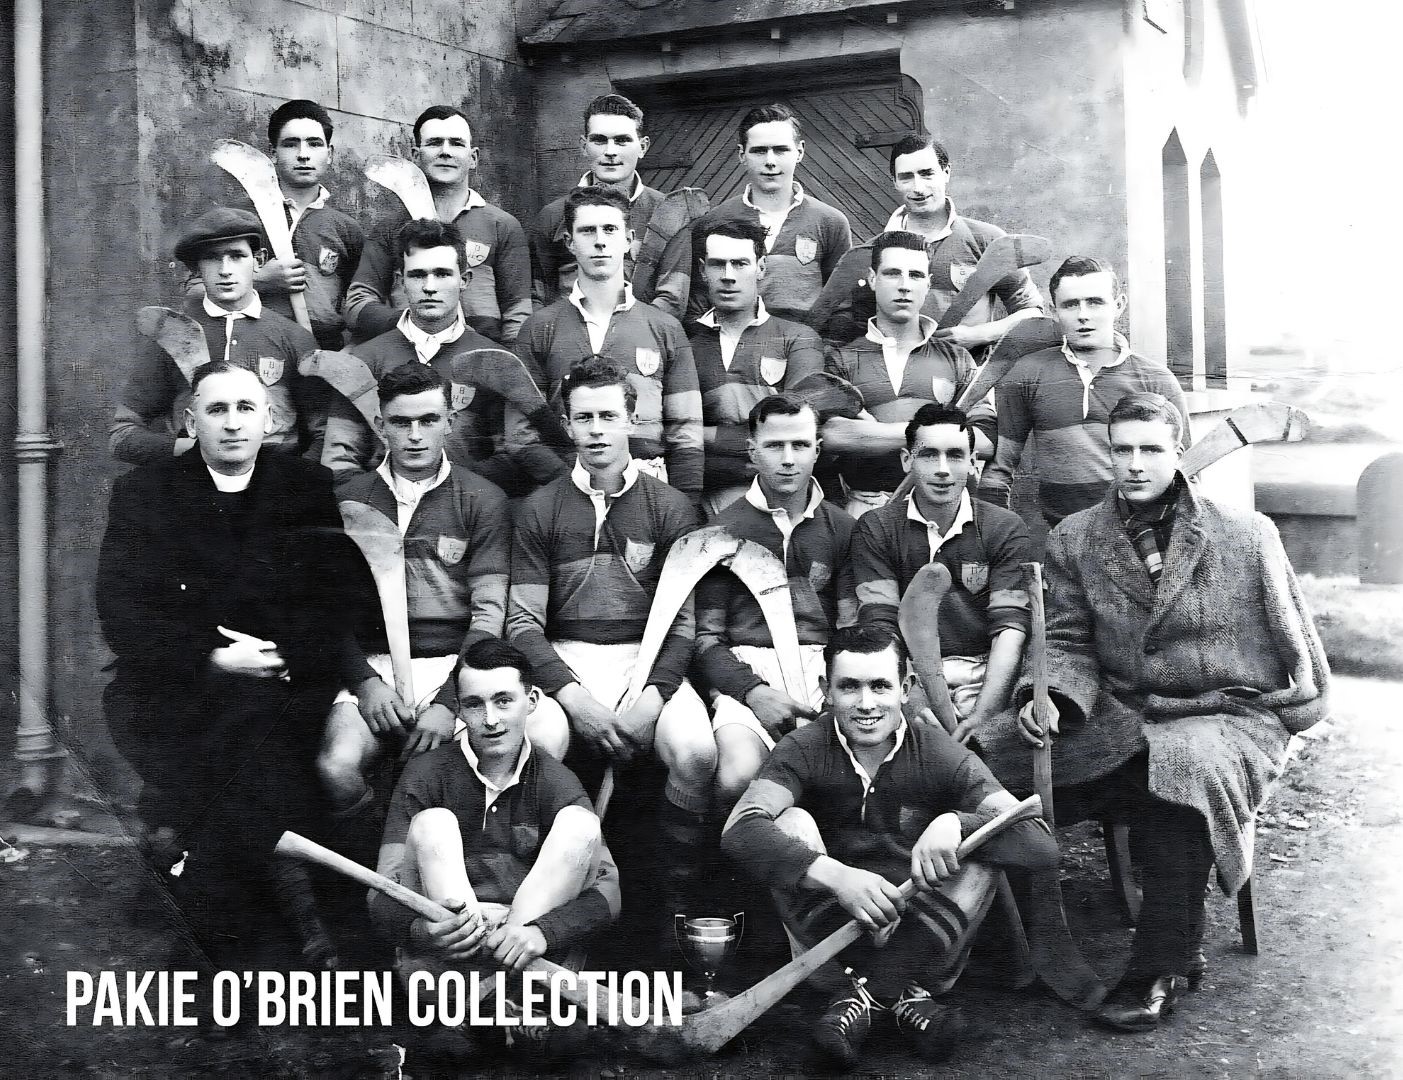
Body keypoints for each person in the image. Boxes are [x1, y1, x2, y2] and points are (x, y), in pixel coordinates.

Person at [976, 393, 1330, 1033]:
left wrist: (1287, 704)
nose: (1135, 464)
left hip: (1226, 713)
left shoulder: (1245, 535)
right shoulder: (1078, 537)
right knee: (990, 757)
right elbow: (1067, 640)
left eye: (1151, 449)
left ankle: (1159, 963)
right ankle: (989, 940)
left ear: (1178, 452)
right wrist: (1049, 697)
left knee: (1181, 771)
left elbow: (1299, 654)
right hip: (1119, 711)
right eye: (1122, 450)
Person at [98, 360, 368, 965]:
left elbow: (331, 600)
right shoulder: (145, 492)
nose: (233, 424)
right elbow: (121, 607)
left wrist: (274, 658)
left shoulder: (304, 486)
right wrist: (216, 658)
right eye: (216, 410)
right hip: (178, 685)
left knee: (246, 750)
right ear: (189, 420)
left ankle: (219, 935)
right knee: (241, 753)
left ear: (269, 419)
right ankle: (292, 916)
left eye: (246, 409)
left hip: (281, 679)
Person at [721, 625, 1058, 1066]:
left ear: (906, 688)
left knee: (983, 848)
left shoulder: (939, 752)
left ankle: (863, 999)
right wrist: (838, 877)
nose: (866, 704)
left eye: (880, 686)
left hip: (927, 952)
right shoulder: (803, 748)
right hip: (829, 951)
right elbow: (740, 830)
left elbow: (1040, 844)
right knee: (792, 821)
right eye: (849, 687)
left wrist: (956, 823)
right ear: (826, 690)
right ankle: (901, 1002)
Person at [507, 356, 716, 917]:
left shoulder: (671, 507)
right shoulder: (539, 507)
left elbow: (683, 623)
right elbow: (523, 623)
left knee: (697, 753)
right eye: (583, 418)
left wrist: (652, 697)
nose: (596, 430)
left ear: (632, 420)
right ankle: (532, 894)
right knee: (536, 740)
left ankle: (675, 899)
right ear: (567, 425)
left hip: (643, 662)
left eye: (607, 415)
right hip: (565, 659)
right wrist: (574, 699)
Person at [371, 638, 620, 1052]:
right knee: (433, 823)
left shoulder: (557, 780)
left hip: (528, 956)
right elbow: (380, 892)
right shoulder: (426, 773)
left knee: (581, 824)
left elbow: (609, 895)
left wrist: (542, 932)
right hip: (449, 954)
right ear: (460, 708)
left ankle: (500, 1011)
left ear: (533, 700)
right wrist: (423, 931)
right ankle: (475, 1011)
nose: (490, 720)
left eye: (504, 701)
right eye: (473, 704)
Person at [318, 363, 524, 861]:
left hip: (454, 664)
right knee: (335, 768)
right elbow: (324, 610)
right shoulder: (347, 498)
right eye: (401, 422)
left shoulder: (483, 498)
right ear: (381, 425)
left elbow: (488, 614)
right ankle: (380, 873)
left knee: (480, 771)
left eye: (428, 420)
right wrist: (365, 682)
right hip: (375, 663)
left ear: (449, 421)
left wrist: (450, 700)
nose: (415, 435)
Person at [695, 395, 856, 806]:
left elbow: (854, 628)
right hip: (749, 670)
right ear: (752, 451)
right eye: (774, 446)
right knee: (738, 777)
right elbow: (706, 639)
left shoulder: (843, 528)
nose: (788, 459)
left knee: (841, 781)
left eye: (800, 446)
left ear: (818, 450)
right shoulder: (721, 530)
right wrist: (752, 691)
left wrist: (839, 689)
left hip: (825, 668)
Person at [323, 218, 560, 495]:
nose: (429, 287)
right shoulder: (364, 360)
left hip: (467, 514)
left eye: (443, 274)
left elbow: (512, 456)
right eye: (417, 275)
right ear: (401, 281)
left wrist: (449, 490)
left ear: (465, 280)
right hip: (382, 514)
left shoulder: (494, 361)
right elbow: (339, 460)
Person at [852, 404, 1033, 740]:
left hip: (985, 672)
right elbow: (879, 623)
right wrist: (911, 698)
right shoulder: (876, 528)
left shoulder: (1004, 527)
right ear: (907, 460)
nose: (943, 469)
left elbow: (1010, 627)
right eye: (929, 455)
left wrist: (985, 713)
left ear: (973, 462)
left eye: (955, 455)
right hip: (906, 673)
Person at [515, 187, 704, 506]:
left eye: (610, 229)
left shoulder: (664, 328)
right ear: (570, 242)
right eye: (587, 231)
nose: (600, 240)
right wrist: (570, 484)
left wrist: (684, 504)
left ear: (628, 240)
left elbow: (686, 430)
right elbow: (520, 433)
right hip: (565, 493)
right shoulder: (539, 328)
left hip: (651, 496)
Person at [978, 256, 1191, 527]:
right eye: (1070, 305)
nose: (1083, 315)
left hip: (1142, 532)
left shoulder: (1156, 379)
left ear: (1119, 305)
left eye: (1095, 302)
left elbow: (1187, 473)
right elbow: (998, 470)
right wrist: (991, 536)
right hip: (1062, 534)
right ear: (1054, 311)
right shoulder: (1027, 373)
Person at [112, 206, 321, 464]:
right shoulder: (173, 335)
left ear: (258, 260)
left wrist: (292, 479)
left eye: (237, 256)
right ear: (196, 268)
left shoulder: (293, 337)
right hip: (194, 486)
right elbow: (122, 434)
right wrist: (187, 452)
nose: (225, 270)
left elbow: (322, 433)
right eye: (212, 258)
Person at [819, 133, 1044, 349]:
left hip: (972, 376)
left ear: (946, 173)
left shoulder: (987, 240)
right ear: (895, 182)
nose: (918, 187)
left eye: (927, 173)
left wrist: (977, 335)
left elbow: (1032, 312)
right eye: (906, 177)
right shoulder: (871, 252)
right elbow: (855, 329)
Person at [822, 231, 990, 518]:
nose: (904, 286)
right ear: (873, 279)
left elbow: (985, 439)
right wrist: (937, 432)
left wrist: (875, 433)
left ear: (928, 284)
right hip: (866, 510)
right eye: (892, 274)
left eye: (915, 275)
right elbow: (832, 435)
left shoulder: (957, 359)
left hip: (944, 511)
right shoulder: (840, 358)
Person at [346, 105, 531, 344]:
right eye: (434, 143)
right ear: (414, 156)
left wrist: (504, 363)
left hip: (481, 361)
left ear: (473, 158)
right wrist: (414, 326)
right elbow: (356, 304)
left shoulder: (502, 226)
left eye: (456, 143)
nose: (445, 152)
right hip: (407, 362)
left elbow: (519, 313)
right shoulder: (389, 228)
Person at [192, 99, 364, 352]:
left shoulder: (346, 229)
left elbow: (362, 304)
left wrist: (350, 352)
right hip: (252, 346)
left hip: (325, 353)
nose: (303, 154)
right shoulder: (237, 220)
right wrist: (257, 280)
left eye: (314, 144)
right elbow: (193, 293)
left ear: (330, 154)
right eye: (291, 144)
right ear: (273, 153)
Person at [690, 219, 826, 515]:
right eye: (717, 265)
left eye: (740, 264)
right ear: (702, 270)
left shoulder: (797, 338)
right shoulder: (683, 340)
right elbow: (673, 436)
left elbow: (797, 432)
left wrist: (704, 436)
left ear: (761, 268)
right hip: (701, 502)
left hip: (782, 503)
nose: (728, 276)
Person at [687, 104, 852, 326]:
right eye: (759, 150)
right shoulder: (714, 221)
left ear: (800, 152)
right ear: (741, 154)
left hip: (805, 347)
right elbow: (699, 301)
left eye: (781, 150)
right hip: (735, 346)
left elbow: (840, 304)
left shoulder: (830, 221)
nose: (770, 161)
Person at [531, 93, 685, 318]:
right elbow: (538, 294)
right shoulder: (553, 215)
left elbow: (673, 298)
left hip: (643, 341)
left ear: (642, 147)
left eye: (622, 140)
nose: (610, 152)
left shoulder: (668, 211)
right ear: (584, 146)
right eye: (599, 140)